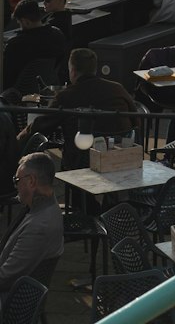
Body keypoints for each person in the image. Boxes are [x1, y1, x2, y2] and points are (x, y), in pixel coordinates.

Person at [24, 48, 137, 167]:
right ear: (95, 69)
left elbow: (41, 126)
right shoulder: (118, 89)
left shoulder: (66, 96)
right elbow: (136, 121)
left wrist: (20, 137)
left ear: (72, 71)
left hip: (81, 163)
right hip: (121, 158)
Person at [0, 154, 64, 294]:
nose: (15, 185)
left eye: (17, 180)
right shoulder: (43, 207)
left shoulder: (39, 227)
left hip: (11, 304)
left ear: (31, 181)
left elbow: (5, 277)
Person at [1, 2, 66, 93]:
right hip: (47, 87)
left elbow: (5, 78)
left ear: (25, 21)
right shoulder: (57, 35)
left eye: (20, 23)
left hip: (17, 95)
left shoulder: (16, 45)